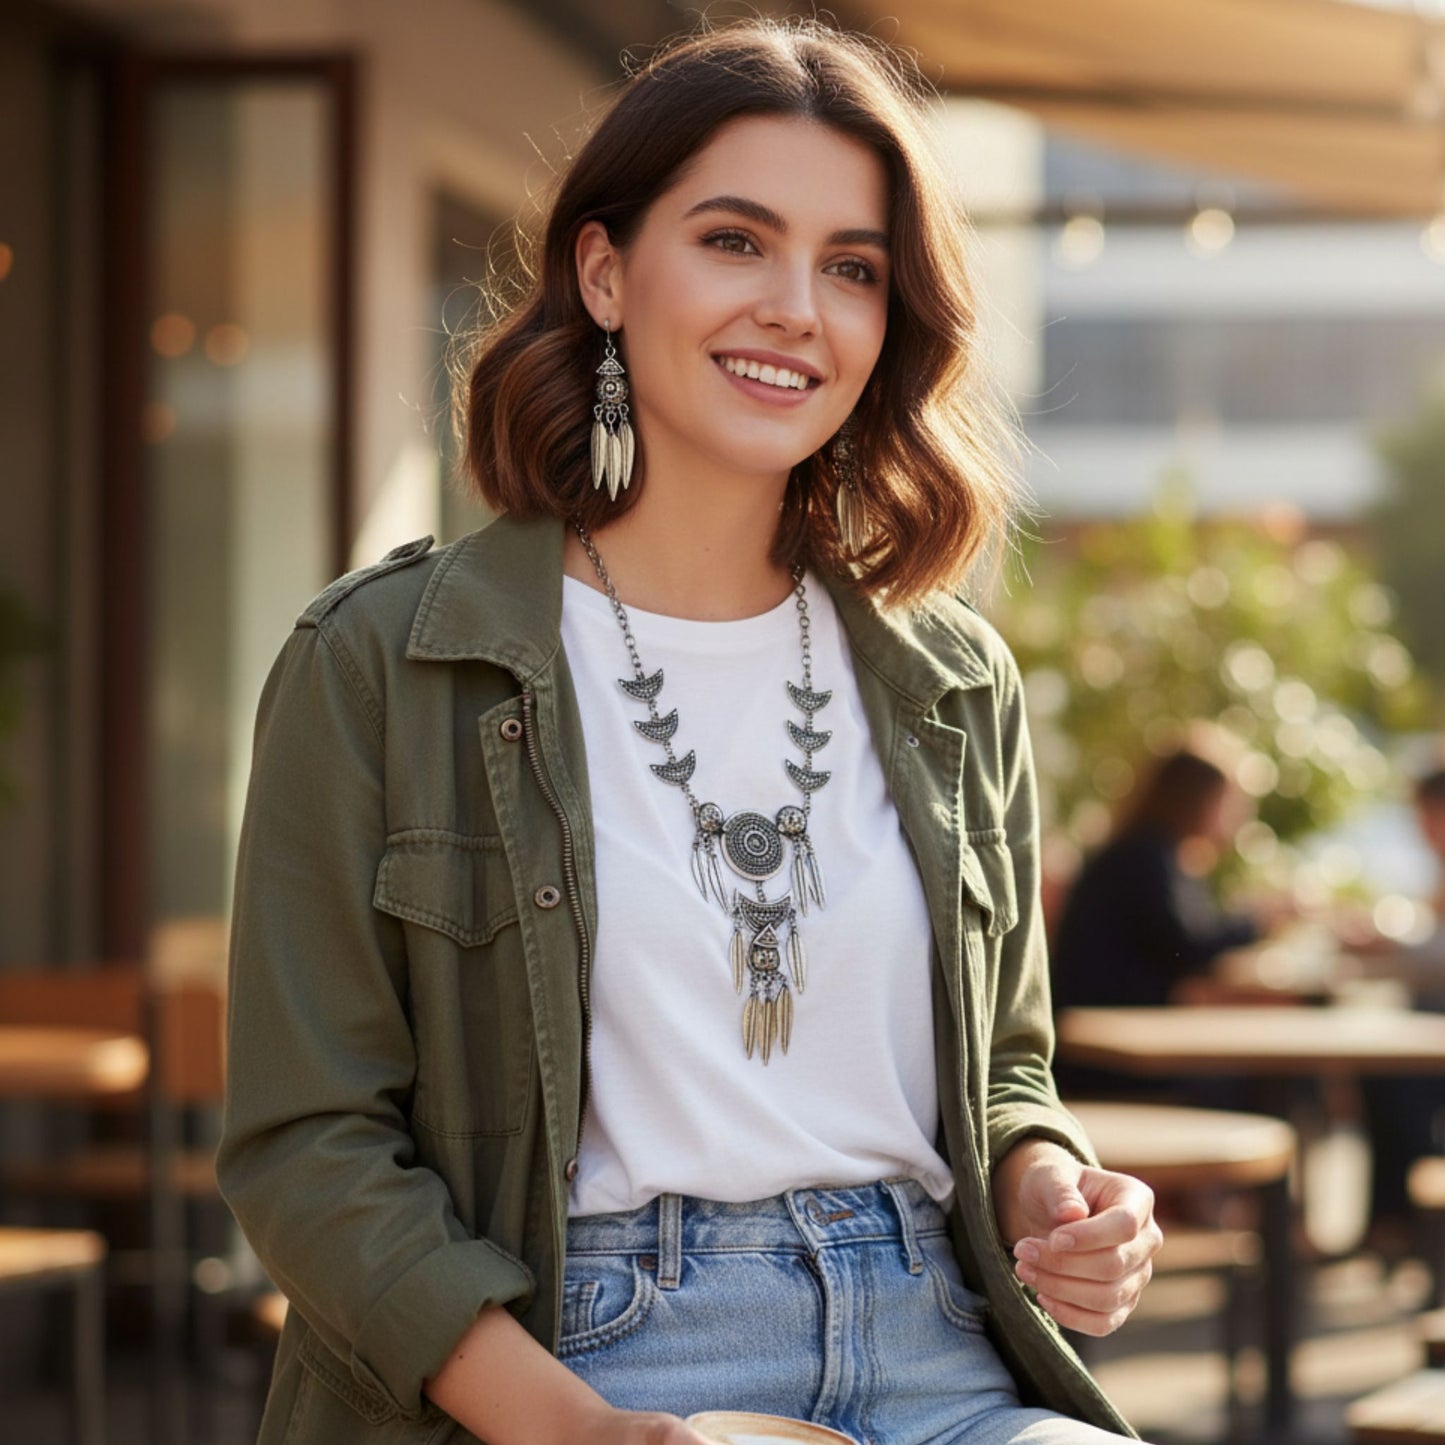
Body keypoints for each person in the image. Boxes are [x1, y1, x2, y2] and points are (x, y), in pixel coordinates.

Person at [218, 18, 1162, 1445]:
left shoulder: (952, 678)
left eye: (851, 266)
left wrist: (1047, 1181)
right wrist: (579, 1427)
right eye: (735, 240)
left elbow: (1004, 1069)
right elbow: (310, 1146)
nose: (798, 305)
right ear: (603, 272)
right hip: (577, 1355)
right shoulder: (381, 659)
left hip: (939, 1339)